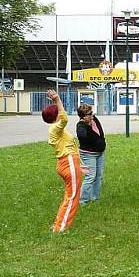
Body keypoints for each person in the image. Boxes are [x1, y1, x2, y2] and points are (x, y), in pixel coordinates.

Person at [42, 89, 85, 233]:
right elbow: (65, 118)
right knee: (72, 196)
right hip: (68, 163)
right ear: (56, 116)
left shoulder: (57, 130)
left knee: (70, 195)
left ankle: (58, 224)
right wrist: (57, 100)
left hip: (69, 163)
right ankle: (60, 228)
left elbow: (70, 146)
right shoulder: (55, 128)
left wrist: (80, 165)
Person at [76, 103, 106, 205]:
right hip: (88, 154)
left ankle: (95, 198)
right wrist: (87, 125)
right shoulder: (81, 126)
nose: (92, 115)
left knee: (99, 176)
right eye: (89, 114)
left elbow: (100, 132)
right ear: (83, 117)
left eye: (92, 112)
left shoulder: (94, 119)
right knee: (90, 176)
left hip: (99, 153)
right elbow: (82, 136)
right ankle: (83, 200)